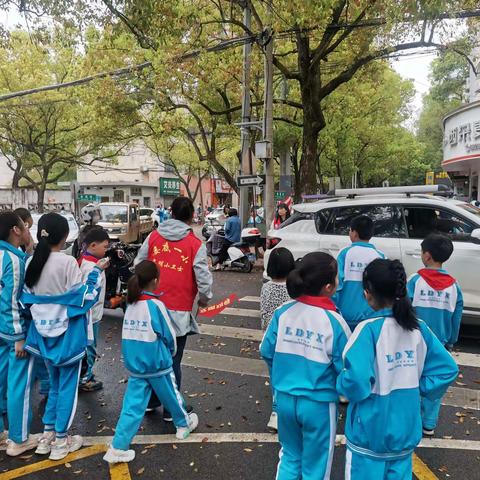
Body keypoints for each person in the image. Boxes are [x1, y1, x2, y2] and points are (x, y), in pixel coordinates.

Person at [337, 259, 458, 480]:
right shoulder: (419, 328)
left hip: (369, 436)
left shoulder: (367, 330)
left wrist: (341, 383)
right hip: (404, 435)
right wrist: (417, 388)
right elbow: (447, 370)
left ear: (367, 293)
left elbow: (355, 382)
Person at [22, 212, 109, 460]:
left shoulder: (30, 262)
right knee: (67, 388)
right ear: (64, 236)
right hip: (67, 336)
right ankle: (61, 439)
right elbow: (85, 298)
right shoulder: (67, 263)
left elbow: (25, 301)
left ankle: (47, 434)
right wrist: (97, 273)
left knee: (54, 387)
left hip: (41, 334)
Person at [260, 252, 351, 480]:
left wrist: (281, 375)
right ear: (329, 287)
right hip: (318, 405)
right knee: (316, 465)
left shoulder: (283, 313)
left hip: (285, 399)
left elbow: (266, 351)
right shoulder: (335, 321)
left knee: (290, 457)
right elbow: (348, 368)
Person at [103, 261, 198, 464]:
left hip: (136, 367)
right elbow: (168, 334)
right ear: (155, 281)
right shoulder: (155, 305)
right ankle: (183, 425)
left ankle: (118, 446)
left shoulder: (131, 303)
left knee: (132, 406)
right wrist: (171, 353)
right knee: (172, 396)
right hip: (158, 365)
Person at [135, 196, 212, 420]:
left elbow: (138, 264)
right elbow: (203, 278)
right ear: (191, 216)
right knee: (173, 360)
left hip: (149, 306)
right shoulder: (194, 244)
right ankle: (171, 409)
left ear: (171, 213)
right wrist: (204, 299)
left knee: (153, 357)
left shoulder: (154, 237)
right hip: (178, 310)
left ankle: (151, 401)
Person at [407, 233, 463, 436]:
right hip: (439, 343)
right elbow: (456, 318)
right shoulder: (455, 287)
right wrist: (451, 342)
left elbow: (404, 308)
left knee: (411, 379)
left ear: (427, 256)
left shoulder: (415, 281)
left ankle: (410, 418)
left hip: (414, 340)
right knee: (434, 382)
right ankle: (429, 423)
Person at [0, 211, 39, 456]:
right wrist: (19, 337)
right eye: (25, 226)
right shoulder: (13, 260)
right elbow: (11, 302)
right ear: (16, 230)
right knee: (18, 385)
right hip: (12, 331)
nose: (28, 230)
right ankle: (19, 439)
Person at [13, 208, 50, 397]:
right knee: (35, 354)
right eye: (26, 227)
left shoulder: (21, 256)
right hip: (21, 319)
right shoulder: (15, 258)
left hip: (22, 317)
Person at [260, 247, 295, 432]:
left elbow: (264, 316)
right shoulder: (293, 290)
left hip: (270, 341)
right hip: (289, 342)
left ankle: (276, 413)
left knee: (275, 378)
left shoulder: (266, 288)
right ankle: (284, 411)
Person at [333, 215, 385, 330]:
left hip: (346, 317)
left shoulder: (345, 253)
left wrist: (334, 307)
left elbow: (337, 284)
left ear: (354, 233)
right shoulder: (380, 255)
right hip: (372, 317)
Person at [78, 227, 110, 392]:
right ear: (93, 245)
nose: (106, 250)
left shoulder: (86, 261)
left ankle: (85, 375)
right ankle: (85, 379)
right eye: (104, 247)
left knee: (89, 346)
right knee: (90, 347)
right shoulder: (91, 267)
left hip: (92, 315)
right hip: (91, 316)